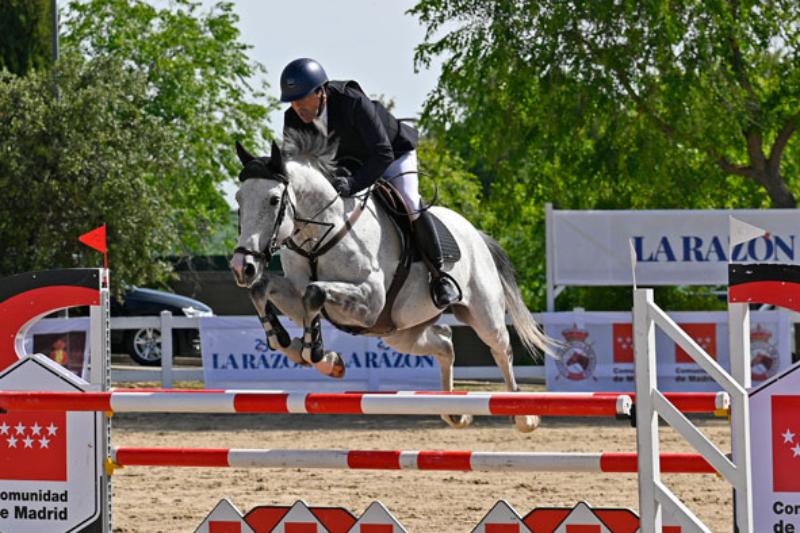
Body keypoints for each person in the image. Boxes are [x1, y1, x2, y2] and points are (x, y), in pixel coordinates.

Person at [279, 57, 460, 309]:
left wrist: (352, 183)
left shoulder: (352, 102)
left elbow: (382, 154)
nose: (297, 107)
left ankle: (440, 275)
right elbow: (301, 168)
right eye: (292, 101)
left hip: (393, 154)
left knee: (408, 201)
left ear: (321, 92)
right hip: (350, 164)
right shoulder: (293, 119)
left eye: (302, 99)